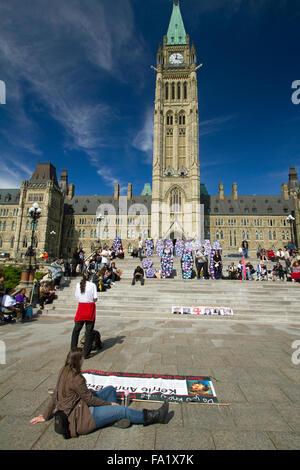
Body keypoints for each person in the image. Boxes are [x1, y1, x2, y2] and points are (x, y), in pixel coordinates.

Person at [29, 348, 170, 437]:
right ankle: (155, 416)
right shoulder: (77, 379)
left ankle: (111, 419)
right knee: (122, 410)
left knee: (110, 389)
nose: (84, 360)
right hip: (81, 419)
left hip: (81, 406)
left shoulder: (64, 370)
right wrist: (110, 404)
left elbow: (55, 396)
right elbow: (90, 400)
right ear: (78, 361)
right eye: (82, 358)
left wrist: (45, 415)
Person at [71, 273, 98, 360]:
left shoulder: (78, 284)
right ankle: (86, 353)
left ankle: (73, 350)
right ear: (90, 277)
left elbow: (77, 296)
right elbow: (95, 298)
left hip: (81, 307)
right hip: (89, 307)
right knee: (88, 332)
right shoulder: (92, 285)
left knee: (76, 330)